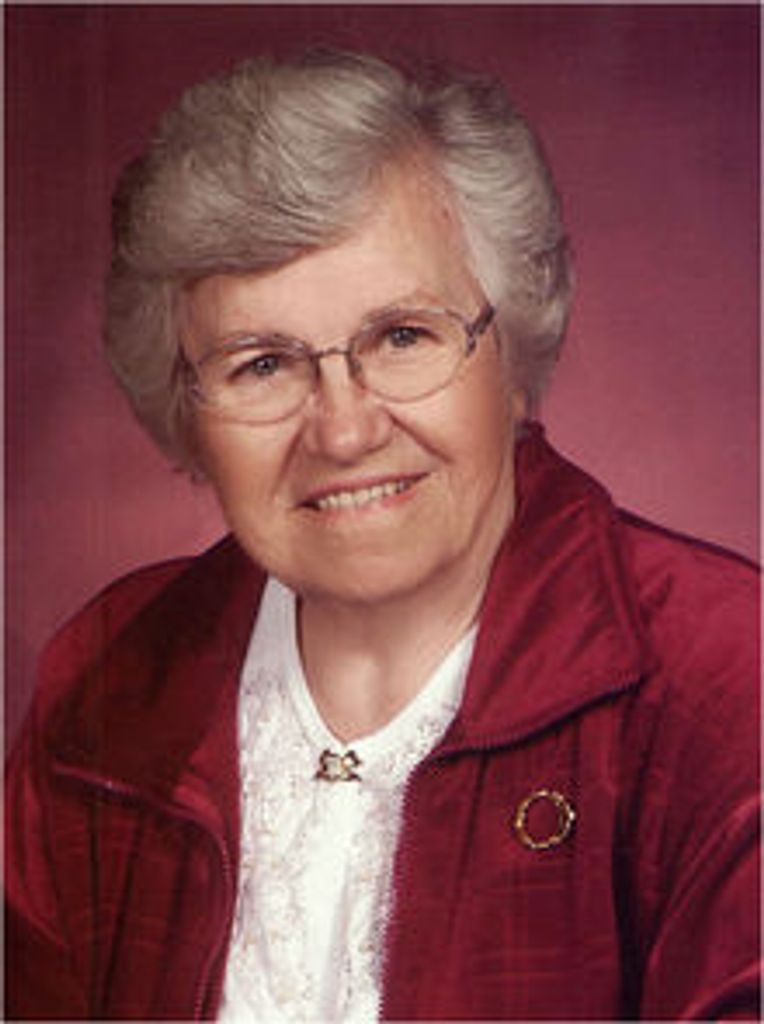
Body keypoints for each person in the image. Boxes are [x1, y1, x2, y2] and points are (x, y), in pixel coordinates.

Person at [5, 49, 759, 1022]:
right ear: (185, 408)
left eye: (403, 336)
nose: (344, 430)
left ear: (512, 355)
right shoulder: (110, 680)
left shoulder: (726, 683)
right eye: (262, 363)